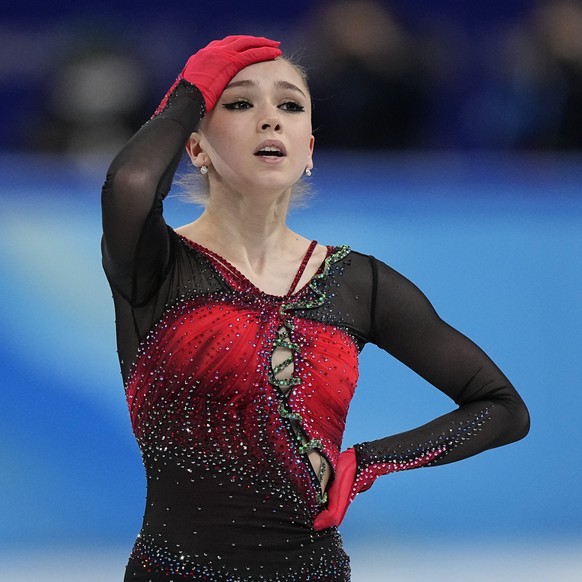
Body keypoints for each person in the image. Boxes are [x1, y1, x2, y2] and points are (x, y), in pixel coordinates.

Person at [101, 35, 530, 581]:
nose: (269, 120)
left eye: (289, 105)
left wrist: (367, 462)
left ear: (309, 149)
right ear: (195, 149)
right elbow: (130, 185)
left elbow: (502, 408)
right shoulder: (155, 265)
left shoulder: (359, 283)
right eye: (237, 103)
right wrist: (191, 91)